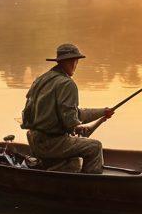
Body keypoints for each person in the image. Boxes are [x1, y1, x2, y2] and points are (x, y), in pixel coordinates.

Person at [21, 43, 114, 173]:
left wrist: (102, 112)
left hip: (34, 140)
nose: (75, 65)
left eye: (75, 61)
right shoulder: (67, 84)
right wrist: (76, 127)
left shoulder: (41, 79)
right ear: (67, 62)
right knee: (95, 147)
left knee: (75, 157)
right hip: (51, 144)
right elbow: (71, 121)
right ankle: (90, 183)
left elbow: (66, 115)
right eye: (74, 61)